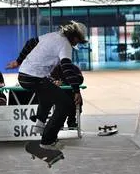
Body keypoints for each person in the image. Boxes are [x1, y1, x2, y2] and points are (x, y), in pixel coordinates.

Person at [6, 21, 87, 153]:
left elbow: (30, 42)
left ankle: (40, 124)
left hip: (24, 75)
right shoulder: (65, 45)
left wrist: (18, 61)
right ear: (75, 37)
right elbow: (67, 68)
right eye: (77, 42)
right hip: (34, 77)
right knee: (65, 104)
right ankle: (48, 141)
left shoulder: (52, 35)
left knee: (48, 92)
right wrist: (76, 90)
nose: (75, 45)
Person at [50, 64, 83, 130]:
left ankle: (71, 120)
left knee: (73, 99)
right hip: (58, 94)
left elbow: (80, 79)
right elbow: (49, 79)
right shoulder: (54, 69)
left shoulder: (74, 68)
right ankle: (60, 121)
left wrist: (63, 82)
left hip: (72, 93)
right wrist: (54, 82)